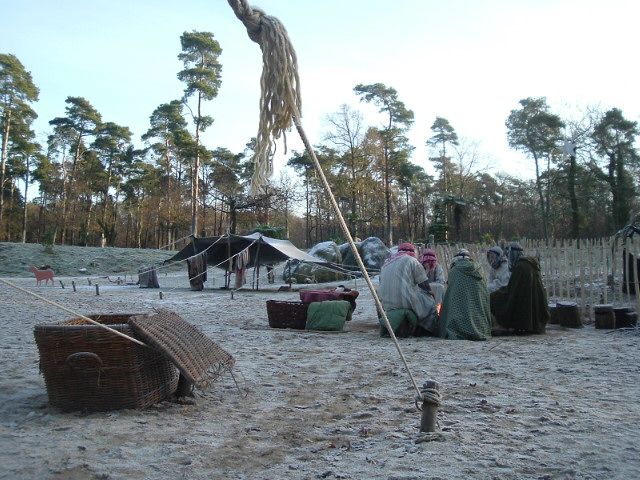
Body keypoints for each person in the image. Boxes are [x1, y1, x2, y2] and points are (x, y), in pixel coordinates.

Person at [378, 242, 437, 335]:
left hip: (386, 304)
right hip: (403, 301)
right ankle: (426, 330)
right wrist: (431, 293)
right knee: (430, 303)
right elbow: (423, 284)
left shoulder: (386, 263)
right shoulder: (411, 261)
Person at [490, 242, 549, 334]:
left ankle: (508, 325)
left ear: (513, 254)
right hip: (528, 298)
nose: (508, 258)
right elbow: (514, 287)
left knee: (493, 298)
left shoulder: (521, 266)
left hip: (523, 299)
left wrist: (496, 294)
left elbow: (512, 291)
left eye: (510, 255)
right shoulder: (526, 263)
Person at [439, 250, 492, 340]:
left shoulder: (454, 271)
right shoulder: (480, 270)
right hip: (480, 325)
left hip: (458, 324)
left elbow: (450, 296)